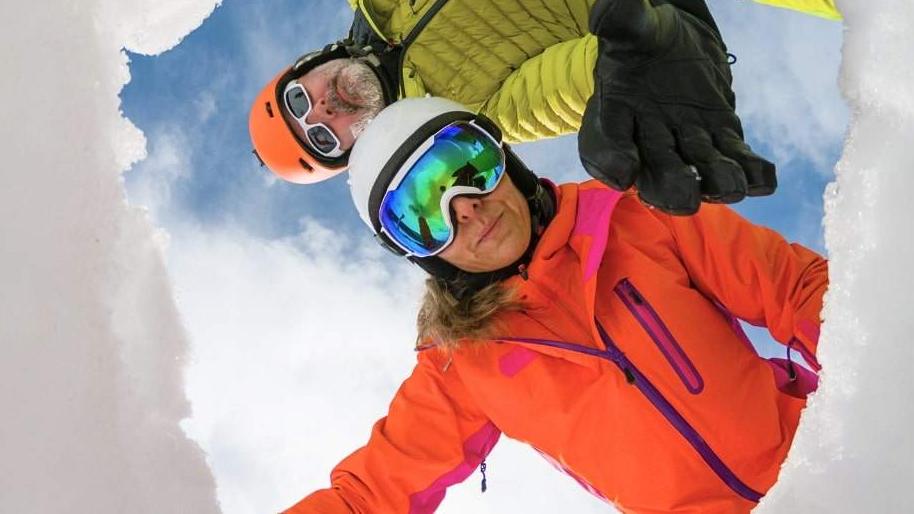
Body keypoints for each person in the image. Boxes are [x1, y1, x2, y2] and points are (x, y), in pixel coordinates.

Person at [282, 96, 828, 513]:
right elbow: (371, 496)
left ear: (504, 157)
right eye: (424, 216)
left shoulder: (633, 215)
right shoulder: (463, 366)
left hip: (831, 461)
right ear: (421, 254)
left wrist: (877, 377)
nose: (466, 210)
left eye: (466, 169)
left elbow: (795, 286)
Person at [250, 0, 839, 214]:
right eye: (325, 136)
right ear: (357, 150)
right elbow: (574, 81)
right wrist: (634, 61)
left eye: (300, 99)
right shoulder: (470, 114)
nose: (324, 108)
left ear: (309, 65)